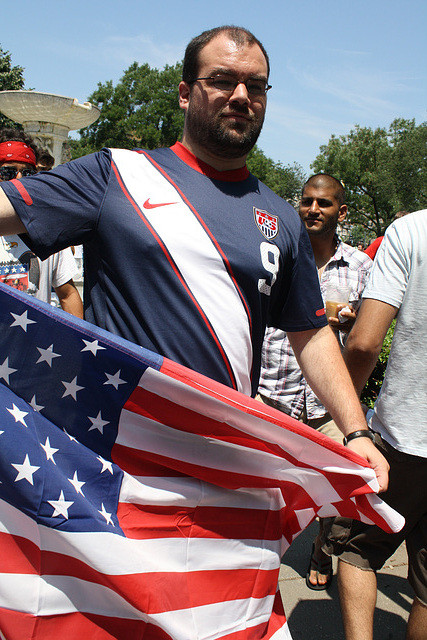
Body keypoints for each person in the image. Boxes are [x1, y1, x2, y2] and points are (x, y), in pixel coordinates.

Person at [0, 26, 387, 484]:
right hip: (118, 465)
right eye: (223, 80)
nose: (242, 95)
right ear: (186, 93)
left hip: (226, 465)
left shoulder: (283, 219)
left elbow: (311, 332)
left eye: (257, 85)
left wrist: (356, 429)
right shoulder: (116, 175)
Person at [258, 174, 373, 589]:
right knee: (263, 491)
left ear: (341, 211)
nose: (313, 210)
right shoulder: (277, 256)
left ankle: (323, 548)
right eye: (307, 201)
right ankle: (257, 563)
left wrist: (354, 319)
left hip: (328, 405)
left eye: (323, 204)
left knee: (340, 494)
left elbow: (370, 331)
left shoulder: (362, 267)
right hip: (273, 394)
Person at [323, 209, 427, 640]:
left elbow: (365, 342)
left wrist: (346, 414)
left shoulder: (413, 230)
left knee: (358, 549)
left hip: (404, 435)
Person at [0, 129, 83, 317]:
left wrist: (76, 344)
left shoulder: (49, 228)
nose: (18, 179)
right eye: (8, 172)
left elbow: (68, 294)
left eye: (27, 173)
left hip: (35, 343)